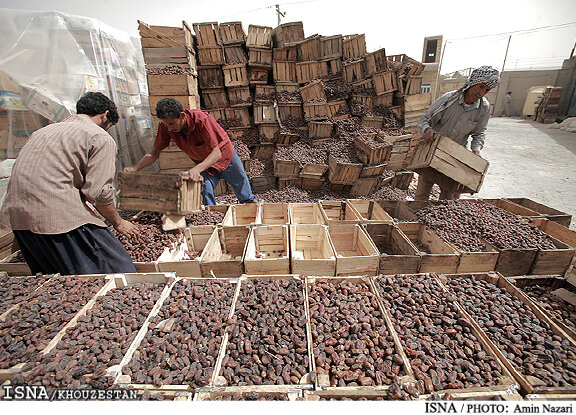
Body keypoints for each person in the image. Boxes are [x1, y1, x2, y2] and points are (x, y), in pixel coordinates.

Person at [0, 92, 139, 275]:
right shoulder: (99, 136)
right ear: (105, 115)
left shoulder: (42, 132)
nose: (107, 129)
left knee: (59, 280)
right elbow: (98, 193)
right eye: (109, 126)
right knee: (118, 270)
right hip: (58, 219)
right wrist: (118, 222)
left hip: (18, 220)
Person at [124, 98, 254, 206]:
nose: (169, 128)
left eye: (171, 124)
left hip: (225, 155)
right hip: (204, 162)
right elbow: (155, 152)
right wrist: (135, 168)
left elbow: (216, 153)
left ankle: (249, 206)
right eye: (166, 124)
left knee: (241, 185)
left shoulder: (201, 120)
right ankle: (212, 217)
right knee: (204, 187)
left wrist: (196, 170)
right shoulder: (165, 127)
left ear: (182, 116)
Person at [414, 66, 500, 201]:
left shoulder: (484, 108)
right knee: (422, 194)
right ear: (473, 82)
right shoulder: (449, 100)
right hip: (433, 151)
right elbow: (425, 120)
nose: (481, 93)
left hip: (456, 156)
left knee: (449, 198)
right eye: (481, 87)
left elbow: (479, 132)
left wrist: (476, 151)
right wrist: (427, 130)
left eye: (486, 90)